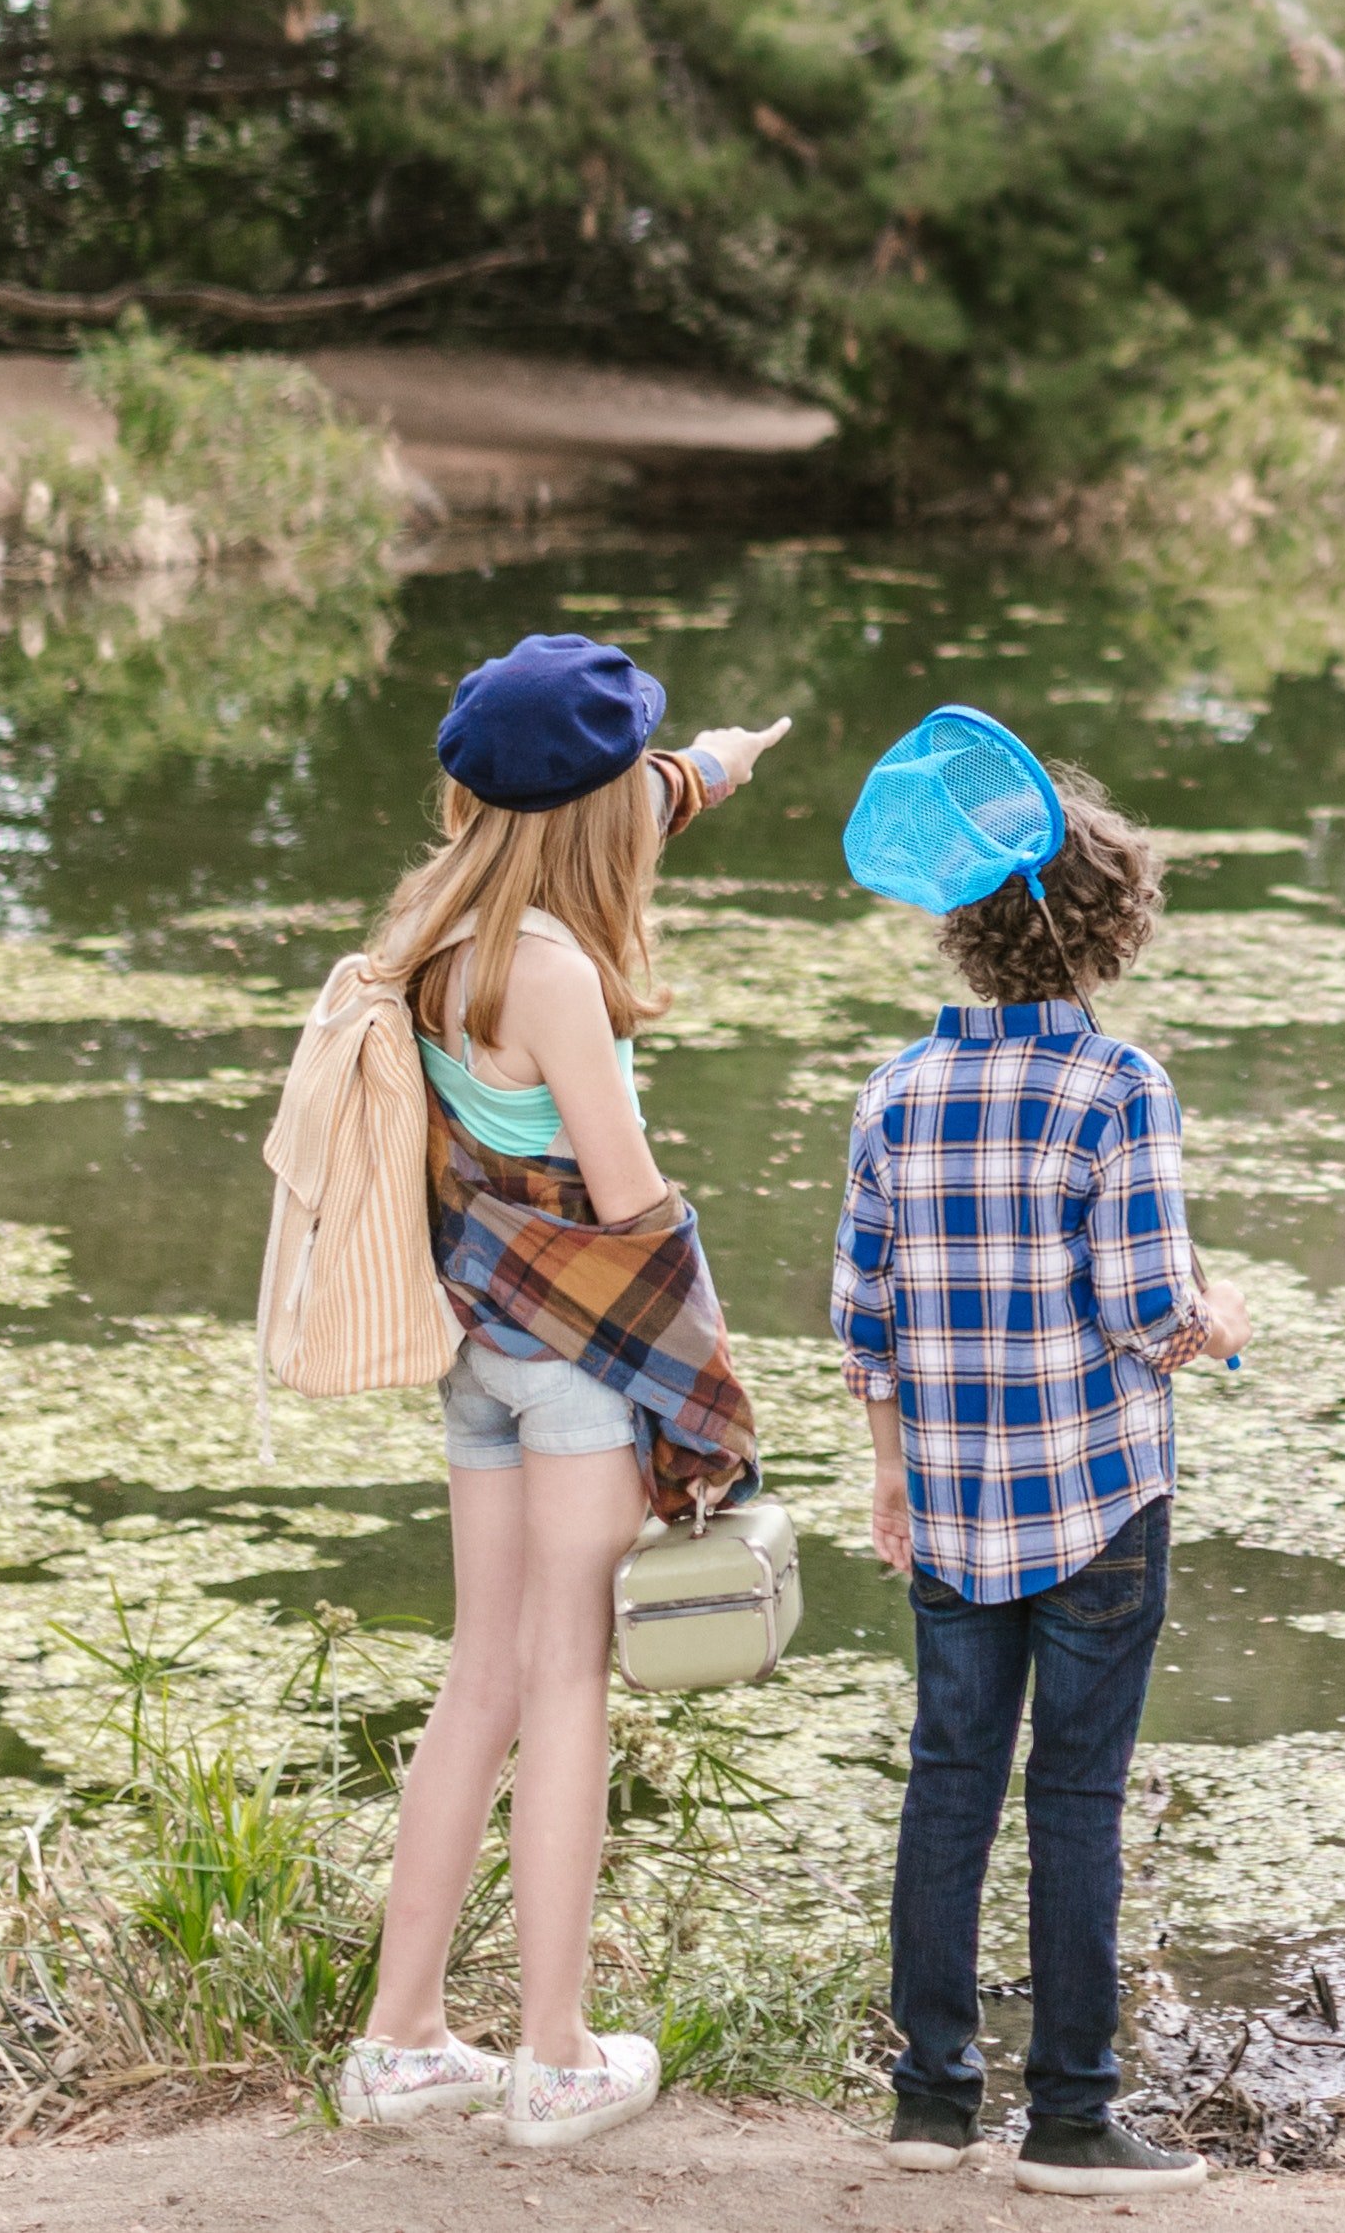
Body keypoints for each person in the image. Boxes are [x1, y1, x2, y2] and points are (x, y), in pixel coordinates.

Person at [334, 632, 784, 2152]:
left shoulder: (436, 926)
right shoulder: (552, 971)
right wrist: (713, 1400)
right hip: (583, 1375)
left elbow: (633, 798)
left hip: (477, 1354)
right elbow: (633, 1203)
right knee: (572, 1686)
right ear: (592, 822)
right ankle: (555, 2056)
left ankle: (399, 2042)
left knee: (483, 1677)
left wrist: (716, 765)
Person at [837, 741, 1249, 2196]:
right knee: (1075, 1798)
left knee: (949, 1783)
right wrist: (1221, 1313)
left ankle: (932, 2103)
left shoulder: (896, 1089)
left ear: (965, 922)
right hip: (1097, 1504)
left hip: (948, 1500)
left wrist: (888, 1478)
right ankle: (1072, 2117)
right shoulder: (1120, 1085)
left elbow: (866, 1320)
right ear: (1113, 925)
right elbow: (1150, 1312)